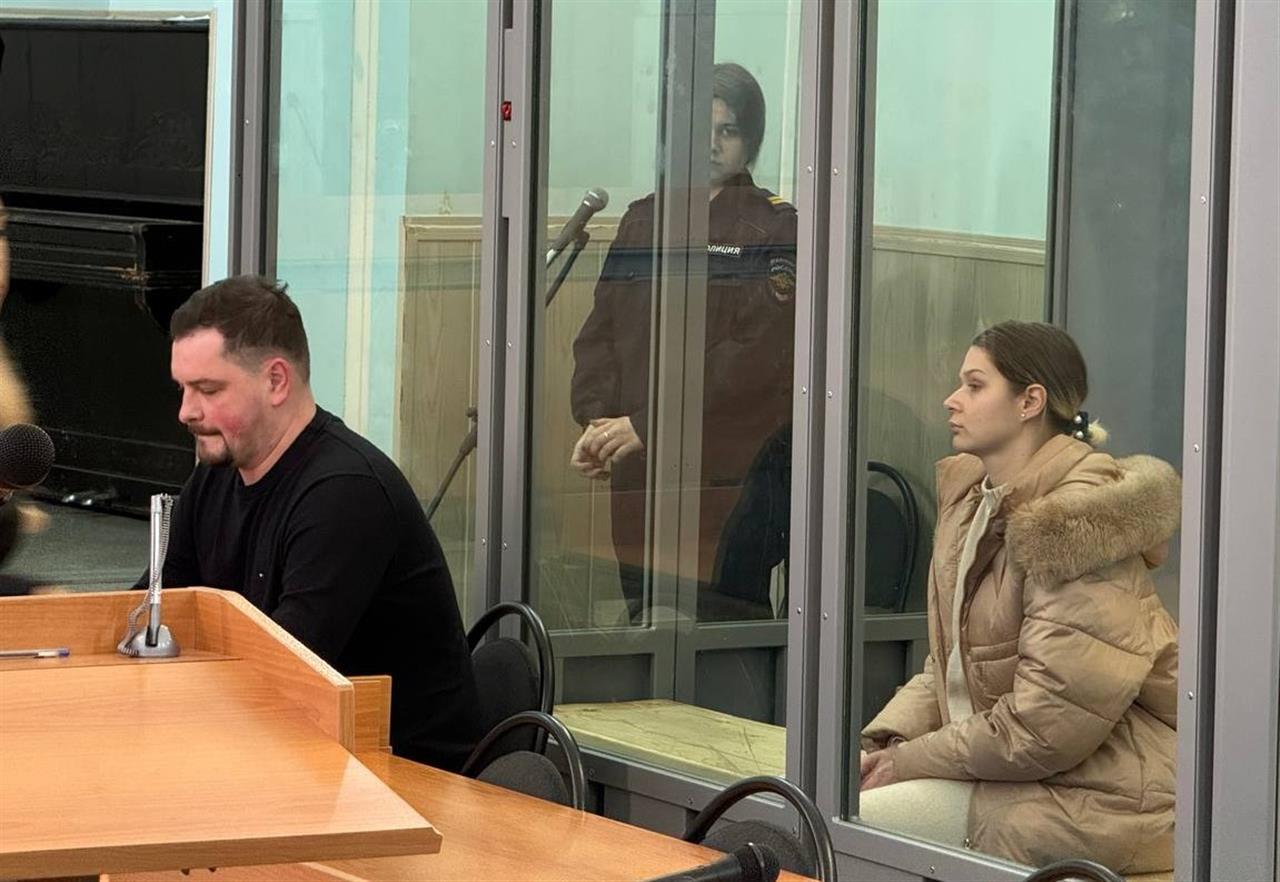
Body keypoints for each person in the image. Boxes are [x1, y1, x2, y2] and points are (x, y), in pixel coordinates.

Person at [858, 321, 1179, 874]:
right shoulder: (975, 502)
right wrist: (883, 743)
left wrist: (906, 761)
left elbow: (1044, 727)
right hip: (1008, 775)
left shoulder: (1074, 525)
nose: (952, 399)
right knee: (816, 807)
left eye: (974, 385)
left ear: (1030, 401)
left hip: (1103, 795)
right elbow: (950, 667)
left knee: (836, 828)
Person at [146, 275, 482, 771]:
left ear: (276, 381)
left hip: (402, 776)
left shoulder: (345, 492)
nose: (185, 412)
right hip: (298, 757)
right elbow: (157, 608)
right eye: (182, 389)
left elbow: (289, 668)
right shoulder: (216, 475)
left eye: (208, 390)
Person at [570, 62, 797, 623]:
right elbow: (600, 334)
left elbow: (753, 359)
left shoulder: (775, 228)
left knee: (724, 628)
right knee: (643, 615)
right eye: (701, 129)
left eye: (729, 130)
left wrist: (649, 424)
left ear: (751, 142)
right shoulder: (643, 220)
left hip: (728, 472)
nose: (712, 144)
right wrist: (598, 425)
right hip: (638, 467)